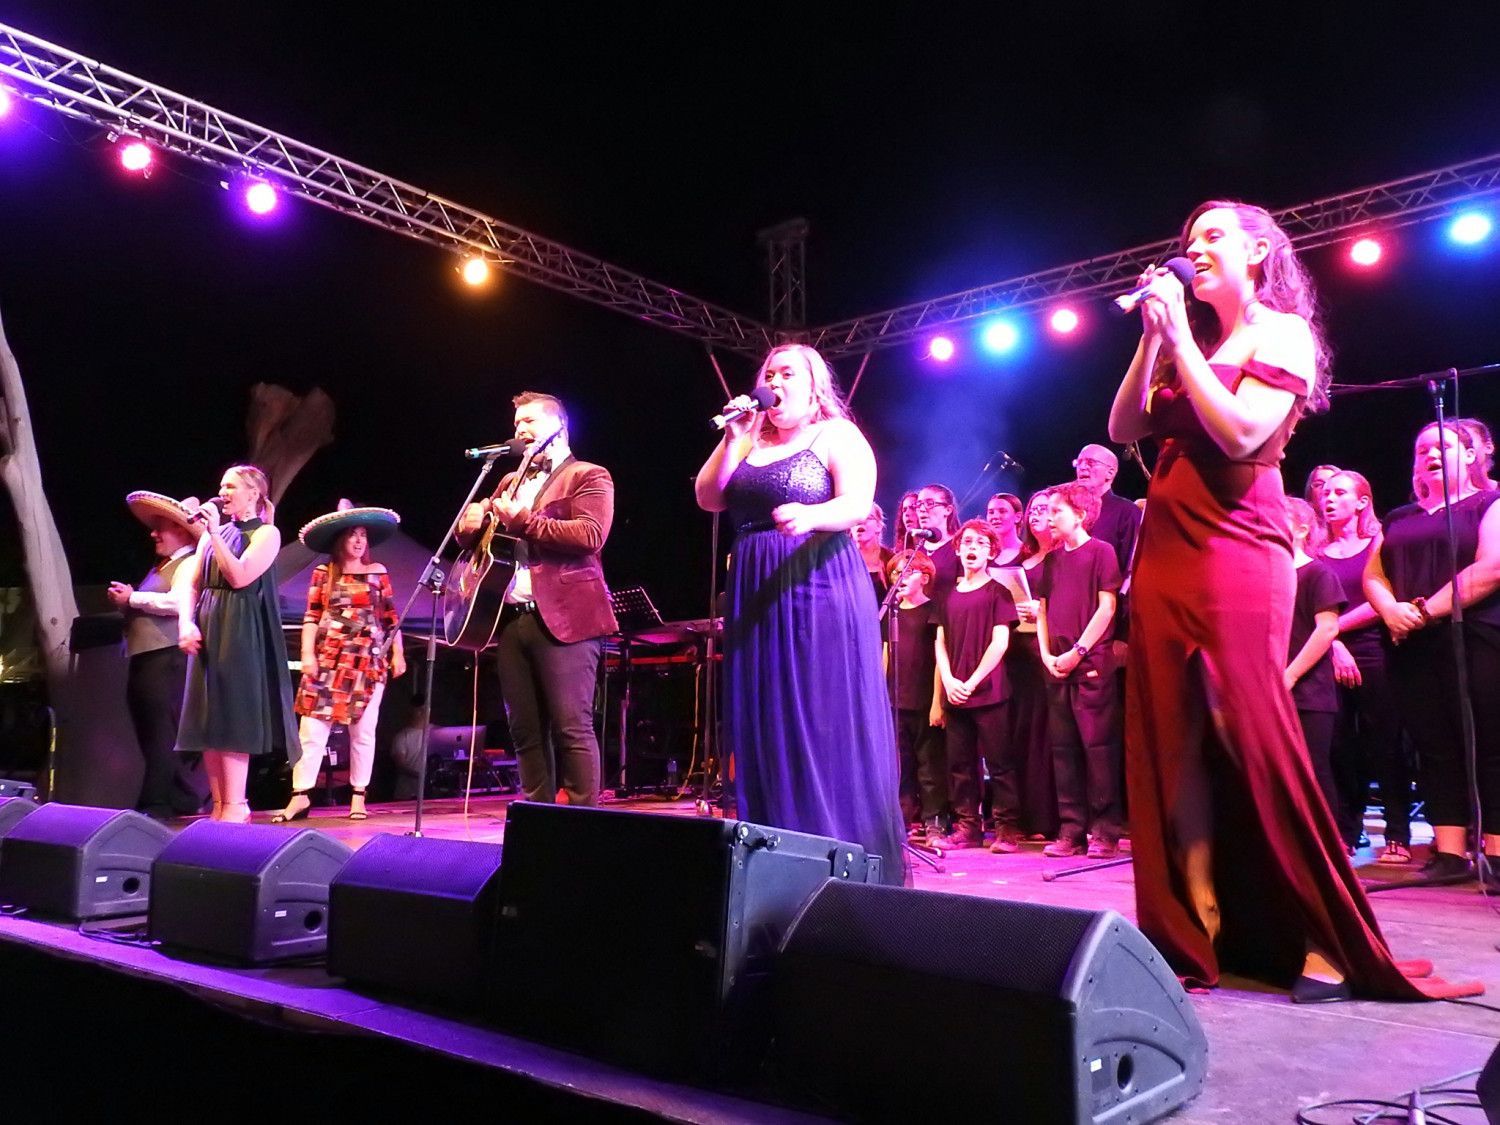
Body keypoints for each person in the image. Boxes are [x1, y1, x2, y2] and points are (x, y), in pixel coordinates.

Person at [1108, 199, 1476, 1002]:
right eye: (1189, 238)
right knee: (1175, 743)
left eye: (1213, 235)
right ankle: (1193, 932)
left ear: (1257, 252)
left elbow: (1243, 435)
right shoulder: (1189, 342)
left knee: (1249, 731)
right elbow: (1124, 421)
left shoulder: (1283, 333)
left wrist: (1181, 346)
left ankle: (1318, 936)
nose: (1195, 248)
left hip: (1235, 548)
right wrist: (1154, 336)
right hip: (1166, 554)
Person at [696, 343, 905, 883]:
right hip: (755, 585)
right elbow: (708, 498)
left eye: (788, 373)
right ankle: (776, 857)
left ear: (815, 386)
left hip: (817, 581)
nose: (775, 381)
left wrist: (813, 515)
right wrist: (732, 439)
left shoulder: (836, 434)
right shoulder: (749, 439)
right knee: (765, 715)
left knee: (817, 713)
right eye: (770, 373)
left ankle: (838, 855)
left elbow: (856, 502)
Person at [457, 392, 617, 807]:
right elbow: (488, 544)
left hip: (567, 618)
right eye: (516, 423)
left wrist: (524, 522)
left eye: (529, 421)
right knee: (525, 732)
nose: (520, 429)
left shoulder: (587, 475)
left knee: (571, 727)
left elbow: (590, 535)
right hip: (511, 618)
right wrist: (468, 528)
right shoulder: (508, 483)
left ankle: (583, 821)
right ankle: (536, 820)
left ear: (559, 426)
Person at [1365, 421, 1500, 887]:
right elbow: (1374, 575)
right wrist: (1390, 609)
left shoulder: (1489, 502)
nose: (1430, 454)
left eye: (1442, 446)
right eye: (1423, 449)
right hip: (1411, 643)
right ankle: (1449, 854)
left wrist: (1422, 611)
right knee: (1434, 745)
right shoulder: (1400, 516)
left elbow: (1491, 567)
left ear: (1472, 455)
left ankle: (1496, 852)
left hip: (1474, 636)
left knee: (1489, 742)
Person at [173, 465, 299, 823]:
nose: (222, 493)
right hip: (208, 624)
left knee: (232, 716)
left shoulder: (266, 534)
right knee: (208, 718)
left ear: (253, 493)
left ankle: (236, 804)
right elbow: (192, 584)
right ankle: (219, 807)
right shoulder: (211, 536)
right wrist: (186, 623)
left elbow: (240, 576)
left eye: (230, 487)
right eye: (221, 486)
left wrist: (214, 532)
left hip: (240, 629)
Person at [274, 501, 406, 823]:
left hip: (366, 661)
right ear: (339, 540)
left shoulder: (377, 573)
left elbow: (391, 618)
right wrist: (307, 654)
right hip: (329, 659)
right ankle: (300, 795)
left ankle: (358, 796)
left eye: (363, 535)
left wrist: (398, 653)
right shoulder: (324, 574)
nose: (359, 541)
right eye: (352, 535)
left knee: (363, 731)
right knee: (312, 728)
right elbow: (311, 616)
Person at [1318, 470, 1410, 860]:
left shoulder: (1377, 542)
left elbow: (1382, 599)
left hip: (1376, 651)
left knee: (1385, 743)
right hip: (1328, 654)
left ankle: (1398, 832)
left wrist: (1334, 630)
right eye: (1325, 492)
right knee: (1339, 747)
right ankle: (1347, 830)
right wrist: (1334, 643)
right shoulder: (1316, 550)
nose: (1328, 498)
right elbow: (1311, 608)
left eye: (1340, 492)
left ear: (1362, 502)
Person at [108, 490, 210, 820]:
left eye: (160, 528)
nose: (153, 534)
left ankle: (156, 802)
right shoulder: (165, 565)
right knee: (151, 728)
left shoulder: (190, 562)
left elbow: (179, 602)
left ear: (181, 530)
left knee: (159, 730)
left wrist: (132, 598)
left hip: (165, 655)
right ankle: (182, 796)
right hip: (148, 654)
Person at [1035, 482, 1123, 859]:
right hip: (1056, 666)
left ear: (1080, 515)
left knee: (1097, 749)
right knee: (1064, 750)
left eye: (1057, 511)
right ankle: (1071, 830)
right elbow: (1042, 610)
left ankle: (1104, 831)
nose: (1050, 517)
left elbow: (1107, 608)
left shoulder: (1101, 552)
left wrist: (1078, 651)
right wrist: (1045, 654)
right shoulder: (1052, 560)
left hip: (1089, 665)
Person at [933, 519, 1019, 852]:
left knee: (1000, 762)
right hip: (956, 692)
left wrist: (971, 681)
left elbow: (1000, 642)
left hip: (989, 691)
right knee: (960, 765)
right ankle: (968, 827)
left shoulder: (998, 592)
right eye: (967, 542)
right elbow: (940, 642)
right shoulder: (947, 595)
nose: (973, 548)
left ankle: (1007, 829)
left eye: (981, 544)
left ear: (991, 553)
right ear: (958, 548)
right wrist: (949, 680)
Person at [1284, 497, 1345, 837]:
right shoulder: (1268, 576)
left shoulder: (1317, 574)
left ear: (1301, 530)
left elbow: (1327, 629)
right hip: (1272, 689)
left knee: (1313, 771)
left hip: (1309, 692)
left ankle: (1325, 845)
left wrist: (1290, 675)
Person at [882, 550, 945, 839]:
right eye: (896, 573)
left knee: (929, 764)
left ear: (925, 578)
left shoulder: (933, 610)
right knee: (901, 764)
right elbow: (885, 656)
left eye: (908, 572)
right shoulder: (891, 613)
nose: (900, 577)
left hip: (924, 700)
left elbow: (939, 658)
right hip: (896, 701)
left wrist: (937, 702)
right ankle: (904, 817)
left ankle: (934, 819)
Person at [852, 502, 894, 606]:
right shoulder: (844, 561)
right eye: (856, 518)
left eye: (868, 517)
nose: (861, 522)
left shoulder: (891, 561)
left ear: (879, 526)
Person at [985, 492, 1025, 566]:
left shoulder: (1028, 554)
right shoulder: (983, 554)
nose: (995, 516)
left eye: (1002, 511)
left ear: (1018, 517)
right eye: (991, 512)